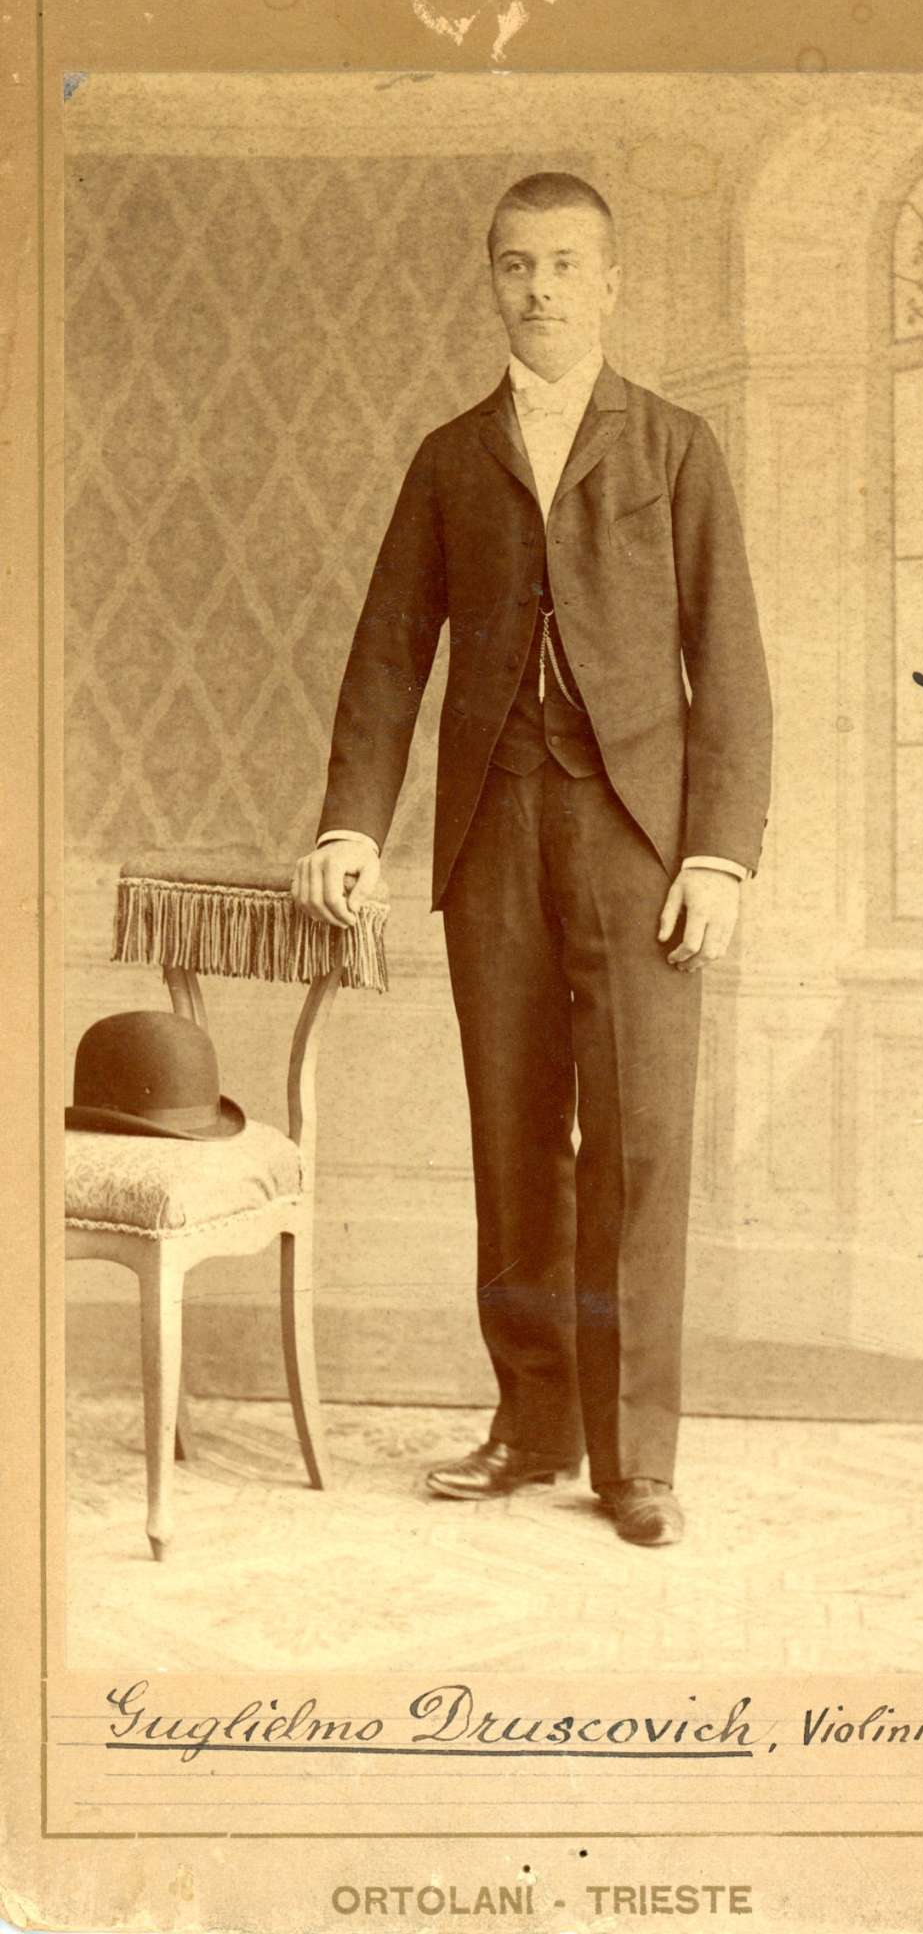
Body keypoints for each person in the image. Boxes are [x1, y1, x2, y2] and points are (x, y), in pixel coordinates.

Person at [292, 172, 772, 1547]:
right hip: (492, 832)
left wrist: (719, 855)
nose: (540, 288)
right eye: (516, 265)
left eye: (565, 264)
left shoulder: (675, 446)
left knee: (636, 1148)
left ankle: (636, 1459)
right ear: (491, 282)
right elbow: (390, 654)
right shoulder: (451, 457)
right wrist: (349, 824)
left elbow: (731, 665)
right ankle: (530, 1423)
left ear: (610, 282)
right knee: (512, 1139)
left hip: (638, 844)